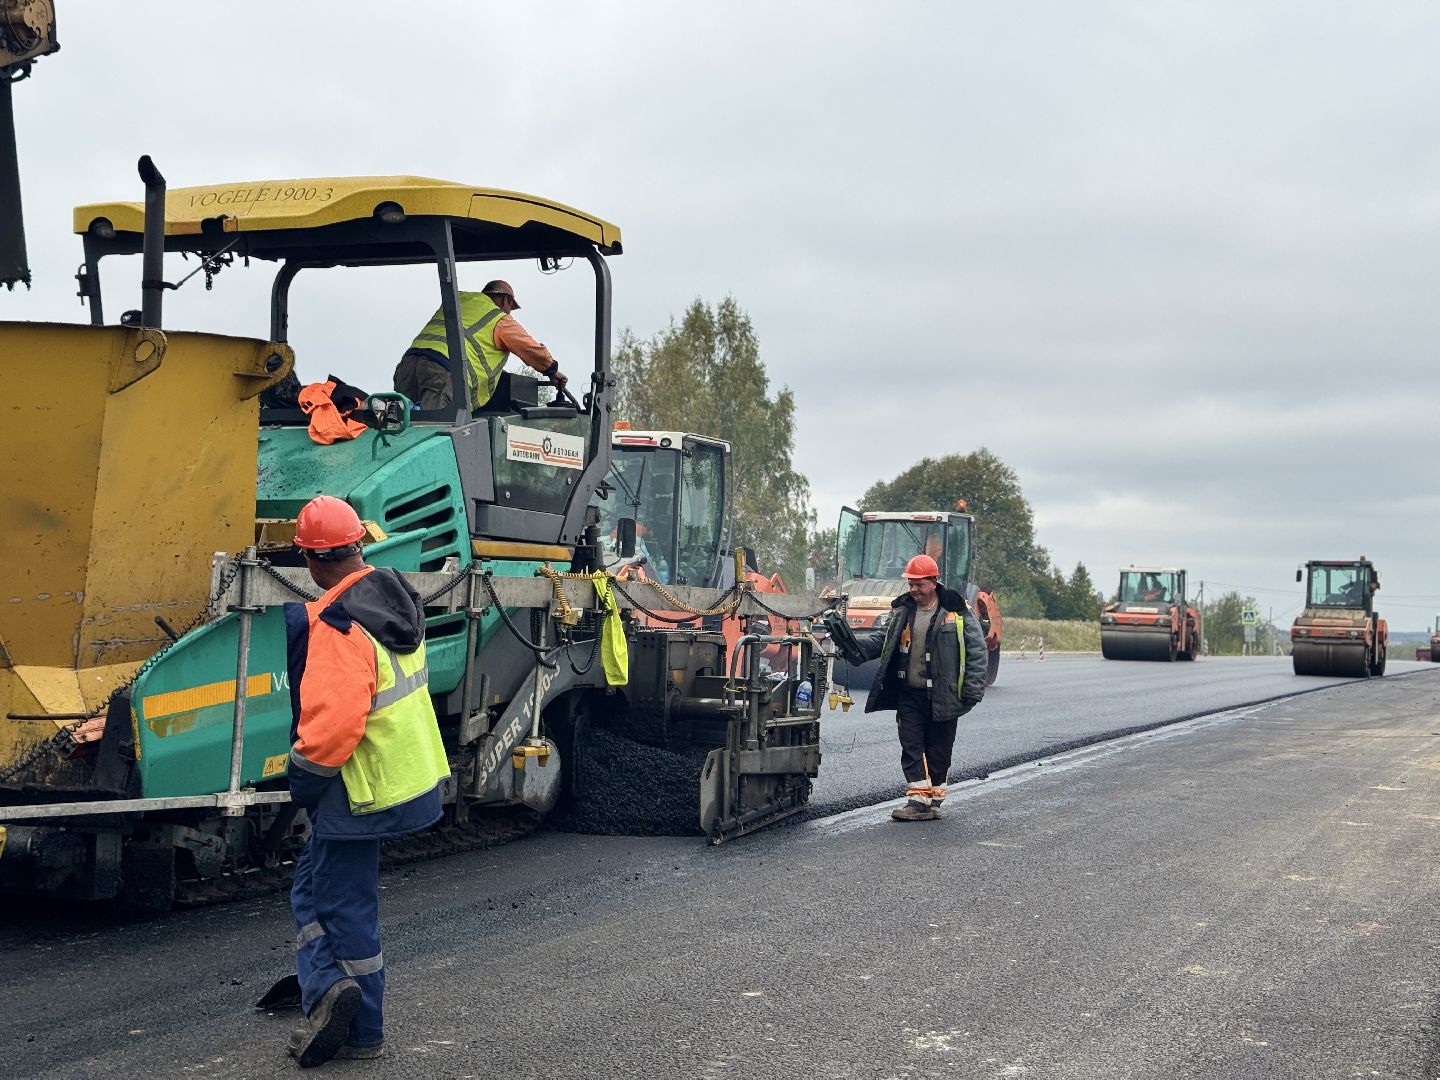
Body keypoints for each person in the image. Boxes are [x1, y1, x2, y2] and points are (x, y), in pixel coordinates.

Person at [281, 495, 450, 1067]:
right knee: (313, 888)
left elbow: (331, 731)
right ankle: (329, 991)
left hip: (358, 788)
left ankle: (353, 1018)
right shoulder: (393, 597)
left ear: (308, 559)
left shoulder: (337, 623)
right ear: (360, 544)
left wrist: (298, 782)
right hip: (401, 776)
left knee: (341, 904)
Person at [849, 553, 988, 822]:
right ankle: (917, 801)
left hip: (943, 694)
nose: (913, 589)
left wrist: (972, 691)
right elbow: (883, 640)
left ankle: (934, 801)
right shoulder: (903, 611)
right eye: (911, 584)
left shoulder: (956, 611)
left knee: (939, 751)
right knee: (911, 746)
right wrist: (853, 646)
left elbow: (977, 651)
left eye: (919, 584)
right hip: (909, 694)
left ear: (933, 582)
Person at [392, 279, 569, 410]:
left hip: (408, 366)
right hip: (442, 371)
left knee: (401, 428)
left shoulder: (460, 301)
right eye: (510, 306)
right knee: (432, 430)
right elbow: (530, 349)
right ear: (505, 300)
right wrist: (552, 370)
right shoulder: (498, 318)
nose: (509, 312)